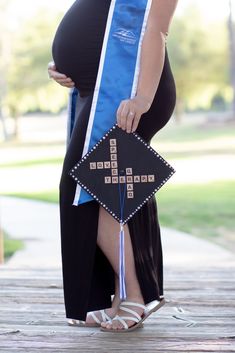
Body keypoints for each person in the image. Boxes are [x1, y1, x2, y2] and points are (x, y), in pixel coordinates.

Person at [48, 0, 178, 332]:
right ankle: (118, 297)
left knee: (98, 186)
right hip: (97, 89)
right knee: (106, 186)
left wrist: (142, 99)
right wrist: (64, 62)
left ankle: (134, 294)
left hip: (128, 91)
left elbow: (156, 29)